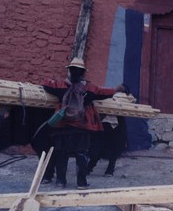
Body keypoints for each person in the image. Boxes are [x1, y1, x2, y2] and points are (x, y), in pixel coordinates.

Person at [42, 57, 126, 189]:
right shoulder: (90, 88)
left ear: (69, 71)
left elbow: (46, 84)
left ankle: (60, 181)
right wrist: (117, 89)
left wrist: (53, 79)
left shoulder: (59, 86)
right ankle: (81, 183)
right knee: (81, 154)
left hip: (62, 126)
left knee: (61, 153)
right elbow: (105, 93)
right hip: (82, 127)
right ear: (83, 73)